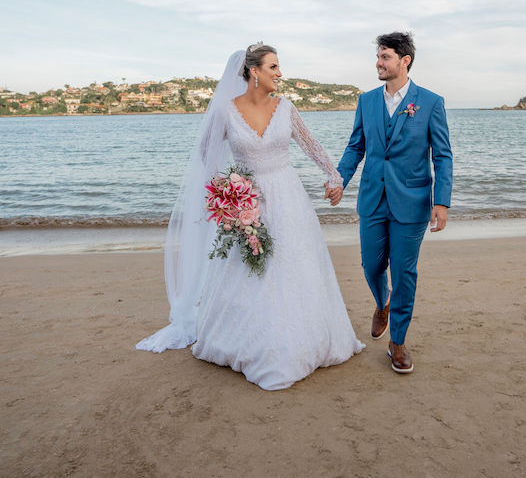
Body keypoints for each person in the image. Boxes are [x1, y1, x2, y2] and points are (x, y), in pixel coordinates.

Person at [136, 44, 364, 390]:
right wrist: (229, 191)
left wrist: (335, 178)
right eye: (273, 66)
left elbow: (312, 146)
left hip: (288, 198)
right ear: (253, 71)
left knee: (292, 265)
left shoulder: (285, 107)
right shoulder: (225, 112)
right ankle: (248, 342)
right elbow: (206, 154)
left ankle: (299, 339)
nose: (280, 73)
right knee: (249, 269)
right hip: (246, 202)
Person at [332, 32, 452, 374]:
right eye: (378, 56)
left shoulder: (430, 102)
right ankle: (381, 301)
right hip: (373, 198)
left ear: (404, 61)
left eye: (384, 57)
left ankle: (397, 341)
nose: (378, 63)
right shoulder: (366, 101)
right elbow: (356, 146)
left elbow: (442, 155)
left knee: (404, 272)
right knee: (371, 266)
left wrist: (441, 201)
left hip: (412, 202)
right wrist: (339, 179)